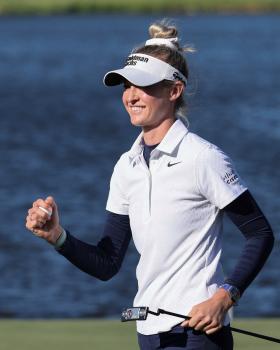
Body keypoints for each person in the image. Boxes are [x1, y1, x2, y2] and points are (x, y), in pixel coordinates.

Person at [26, 20, 274, 350]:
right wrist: (57, 237)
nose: (131, 95)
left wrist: (224, 297)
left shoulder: (203, 158)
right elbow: (107, 263)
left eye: (143, 86)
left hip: (198, 335)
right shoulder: (126, 166)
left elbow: (260, 234)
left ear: (174, 91)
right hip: (148, 334)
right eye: (126, 85)